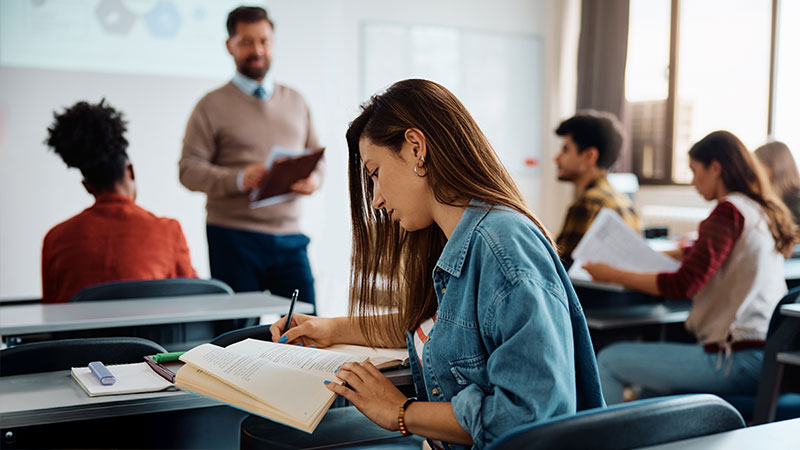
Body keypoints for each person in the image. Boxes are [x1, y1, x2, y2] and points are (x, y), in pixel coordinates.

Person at [268, 79, 604, 449]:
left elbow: (530, 414)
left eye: (376, 173)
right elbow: (445, 328)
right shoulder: (457, 236)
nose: (376, 199)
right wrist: (328, 328)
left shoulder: (502, 247)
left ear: (416, 148)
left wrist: (400, 412)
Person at [584, 130, 798, 404]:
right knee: (651, 390)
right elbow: (729, 252)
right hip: (763, 354)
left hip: (733, 358)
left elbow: (684, 285)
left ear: (716, 167)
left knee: (609, 360)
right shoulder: (758, 209)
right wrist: (684, 251)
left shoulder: (727, 210)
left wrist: (613, 274)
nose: (694, 182)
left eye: (696, 171)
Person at [179, 6, 322, 307]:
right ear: (229, 45)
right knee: (236, 334)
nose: (257, 50)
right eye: (246, 42)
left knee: (308, 328)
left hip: (289, 236)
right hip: (233, 237)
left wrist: (313, 181)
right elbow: (188, 170)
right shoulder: (210, 105)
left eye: (264, 41)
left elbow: (317, 162)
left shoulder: (296, 101)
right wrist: (239, 178)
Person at [42, 100, 196, 303]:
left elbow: (51, 316)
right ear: (130, 171)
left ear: (87, 185)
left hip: (85, 336)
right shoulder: (169, 232)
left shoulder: (56, 239)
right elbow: (194, 301)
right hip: (150, 337)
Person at [554, 110, 641, 267]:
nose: (557, 158)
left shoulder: (589, 203)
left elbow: (557, 268)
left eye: (565, 149)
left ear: (589, 156)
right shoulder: (623, 200)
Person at [755, 141, 800, 225]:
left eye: (758, 166)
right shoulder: (771, 200)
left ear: (773, 168)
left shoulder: (796, 204)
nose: (755, 172)